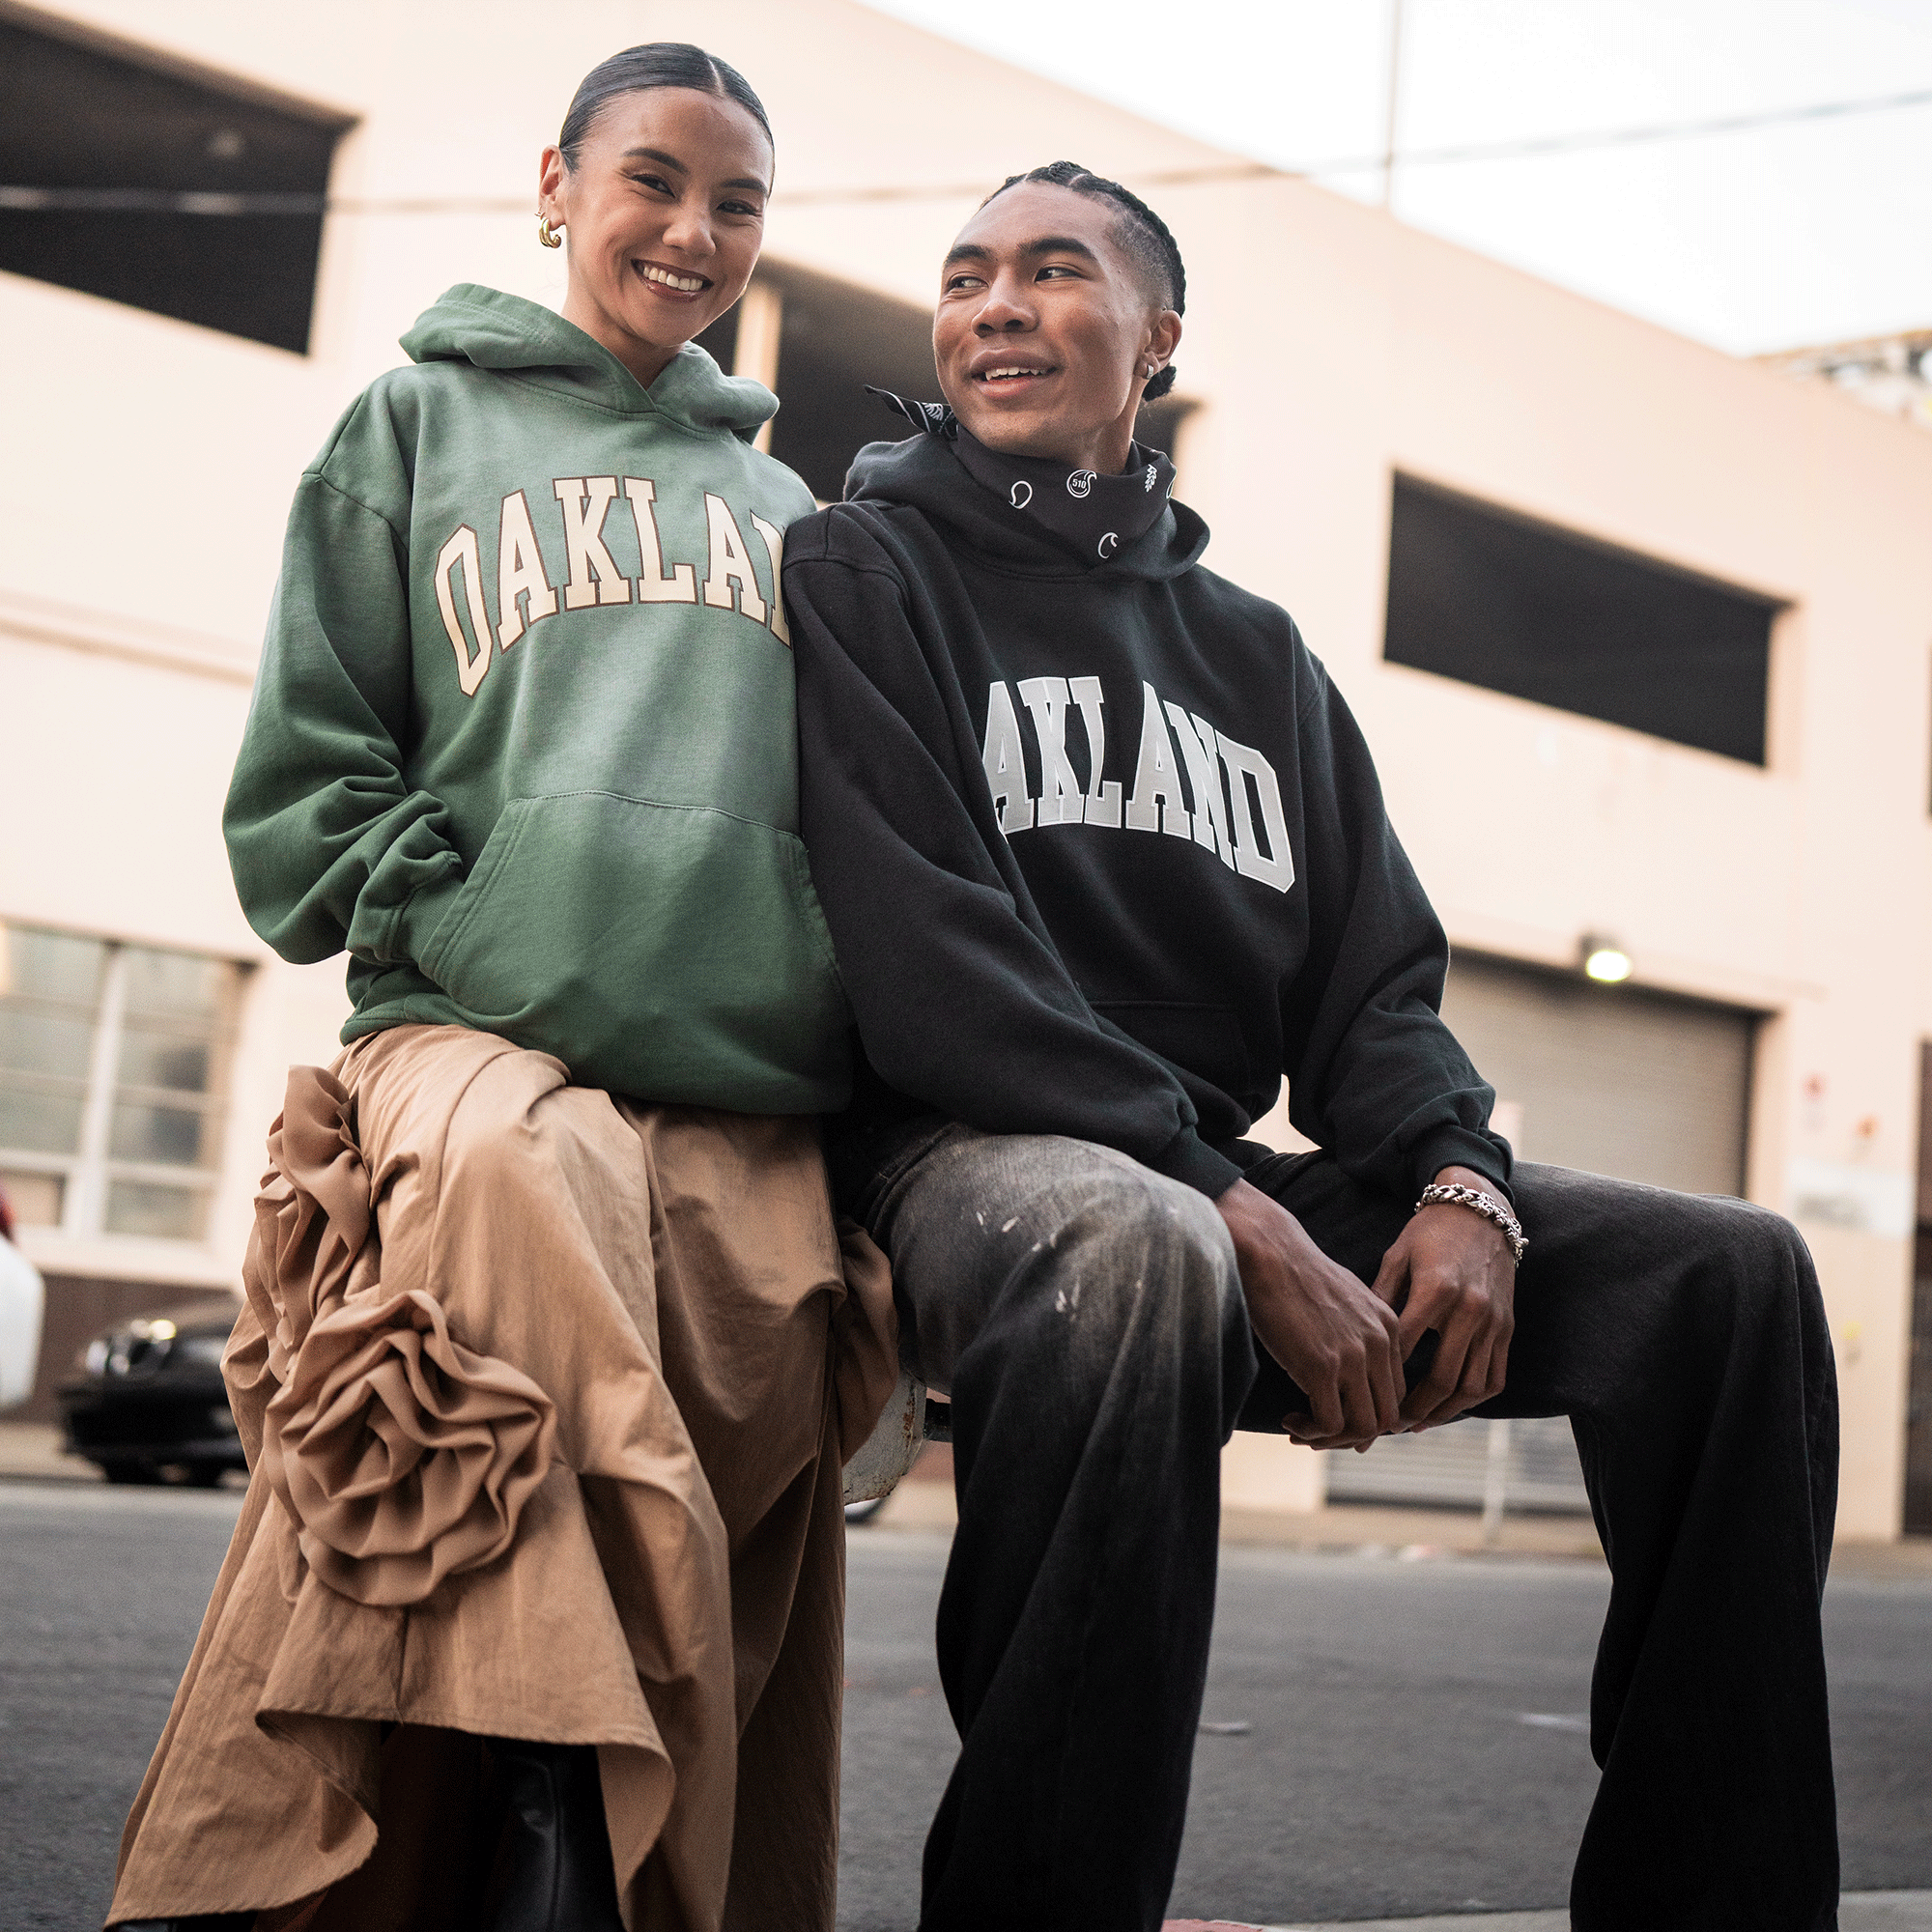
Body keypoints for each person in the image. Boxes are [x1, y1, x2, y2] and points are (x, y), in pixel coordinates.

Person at [784, 161, 1840, 1932]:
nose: (994, 306)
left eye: (1053, 272)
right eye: (965, 277)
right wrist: (1225, 1205)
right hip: (952, 1164)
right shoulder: (861, 566)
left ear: (1157, 340)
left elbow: (1373, 994)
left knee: (1730, 1282)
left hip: (1214, 1190)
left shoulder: (1256, 658)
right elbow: (927, 963)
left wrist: (1458, 1184)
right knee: (1141, 1249)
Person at [106, 44, 895, 1932]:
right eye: (653, 181)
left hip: (733, 1076)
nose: (692, 231)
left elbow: (856, 822)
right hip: (468, 1030)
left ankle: (564, 1826)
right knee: (518, 1194)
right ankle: (562, 1838)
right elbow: (306, 792)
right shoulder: (409, 429)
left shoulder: (790, 512)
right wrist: (483, 922)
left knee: (756, 1314)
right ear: (557, 187)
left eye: (737, 204)